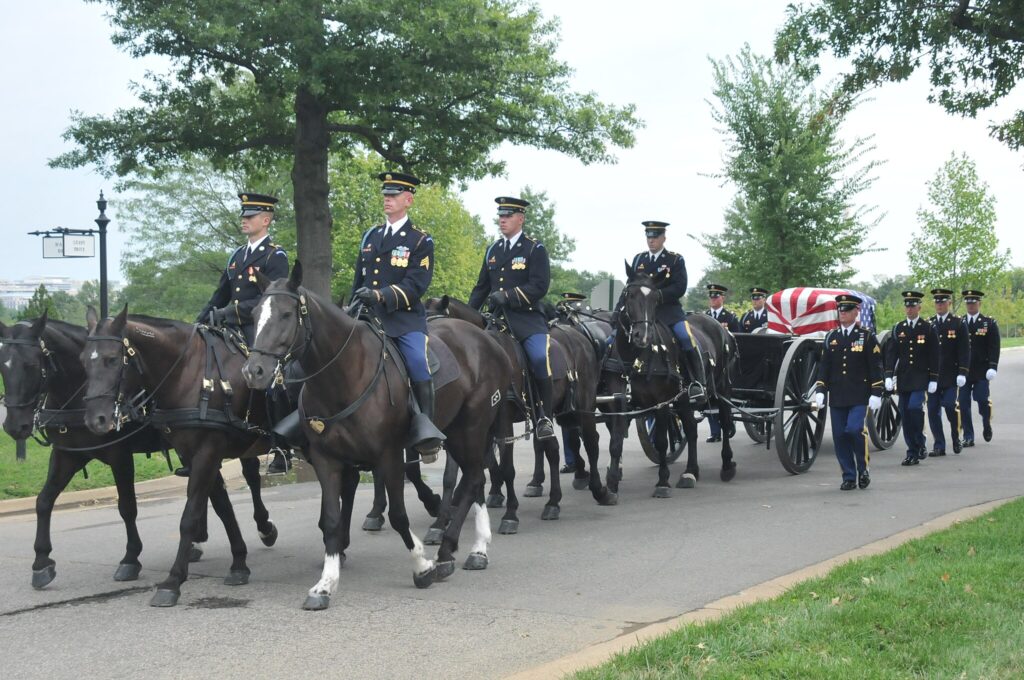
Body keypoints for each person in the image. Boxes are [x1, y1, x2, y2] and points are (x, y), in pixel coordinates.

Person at [194, 192, 291, 475]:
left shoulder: (276, 256)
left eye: (249, 217)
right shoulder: (237, 255)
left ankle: (281, 446)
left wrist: (230, 313)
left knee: (273, 380)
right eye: (243, 216)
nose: (244, 221)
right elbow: (220, 294)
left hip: (259, 329)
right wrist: (200, 320)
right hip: (228, 327)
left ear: (266, 219)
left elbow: (273, 301)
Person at [351, 171, 445, 460]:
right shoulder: (371, 235)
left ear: (408, 200)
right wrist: (355, 305)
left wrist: (381, 296)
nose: (387, 200)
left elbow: (416, 285)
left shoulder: (419, 240)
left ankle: (426, 429)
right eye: (385, 195)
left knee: (418, 362)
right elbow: (359, 279)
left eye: (393, 196)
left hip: (403, 319)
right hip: (368, 317)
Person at [468, 197, 555, 439]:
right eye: (500, 216)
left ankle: (544, 416)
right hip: (497, 320)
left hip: (527, 319)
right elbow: (481, 288)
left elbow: (539, 286)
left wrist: (508, 296)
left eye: (507, 216)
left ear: (520, 218)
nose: (502, 220)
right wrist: (468, 317)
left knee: (539, 357)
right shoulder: (493, 250)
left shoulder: (533, 249)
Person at [627, 221, 707, 405]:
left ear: (664, 237)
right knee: (620, 337)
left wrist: (658, 296)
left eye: (655, 236)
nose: (651, 240)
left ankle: (697, 382)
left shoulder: (675, 259)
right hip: (643, 314)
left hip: (669, 312)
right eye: (648, 236)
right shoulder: (639, 260)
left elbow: (680, 287)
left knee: (685, 338)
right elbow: (631, 287)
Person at [814, 294, 883, 490]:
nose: (842, 313)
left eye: (846, 310)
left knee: (854, 430)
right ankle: (849, 476)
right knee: (839, 436)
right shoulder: (831, 337)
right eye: (840, 310)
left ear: (856, 312)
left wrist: (876, 392)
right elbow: (824, 367)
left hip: (859, 395)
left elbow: (875, 366)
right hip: (837, 395)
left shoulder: (866, 337)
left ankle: (863, 468)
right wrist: (820, 389)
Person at [884, 291, 940, 466]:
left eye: (912, 306)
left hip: (921, 377)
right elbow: (892, 354)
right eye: (907, 306)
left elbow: (935, 355)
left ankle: (920, 441)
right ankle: (913, 451)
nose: (909, 309)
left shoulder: (928, 328)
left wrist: (934, 378)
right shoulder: (898, 328)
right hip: (904, 378)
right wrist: (888, 375)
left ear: (919, 307)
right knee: (904, 414)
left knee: (915, 407)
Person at [927, 288, 969, 456]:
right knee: (932, 410)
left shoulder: (958, 323)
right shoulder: (929, 324)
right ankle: (939, 445)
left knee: (950, 405)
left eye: (943, 302)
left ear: (949, 303)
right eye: (937, 302)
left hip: (951, 375)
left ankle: (955, 435)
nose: (939, 305)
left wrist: (963, 372)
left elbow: (965, 350)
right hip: (933, 377)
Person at [959, 289, 1000, 446]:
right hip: (964, 371)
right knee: (963, 403)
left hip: (982, 371)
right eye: (968, 303)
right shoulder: (960, 322)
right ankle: (968, 436)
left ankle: (986, 422)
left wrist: (993, 367)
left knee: (982, 399)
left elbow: (994, 347)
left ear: (979, 303)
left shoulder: (988, 323)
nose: (970, 305)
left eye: (973, 302)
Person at [704, 283, 739, 441]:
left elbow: (737, 338)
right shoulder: (704, 317)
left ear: (722, 298)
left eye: (716, 296)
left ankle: (726, 424)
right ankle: (715, 432)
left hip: (726, 360)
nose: (713, 299)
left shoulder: (730, 317)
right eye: (711, 297)